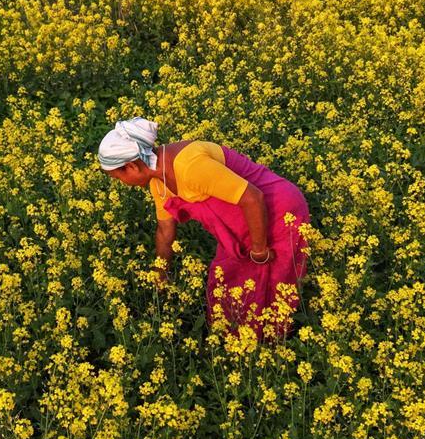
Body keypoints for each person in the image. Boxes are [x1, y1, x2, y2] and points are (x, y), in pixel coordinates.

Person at [98, 116, 311, 341]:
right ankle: (235, 346)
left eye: (118, 177)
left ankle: (272, 347)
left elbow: (253, 198)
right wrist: (161, 275)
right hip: (243, 225)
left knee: (272, 285)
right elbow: (165, 232)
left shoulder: (188, 166)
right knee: (228, 282)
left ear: (131, 166)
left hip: (278, 214)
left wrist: (259, 250)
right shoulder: (158, 182)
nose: (122, 183)